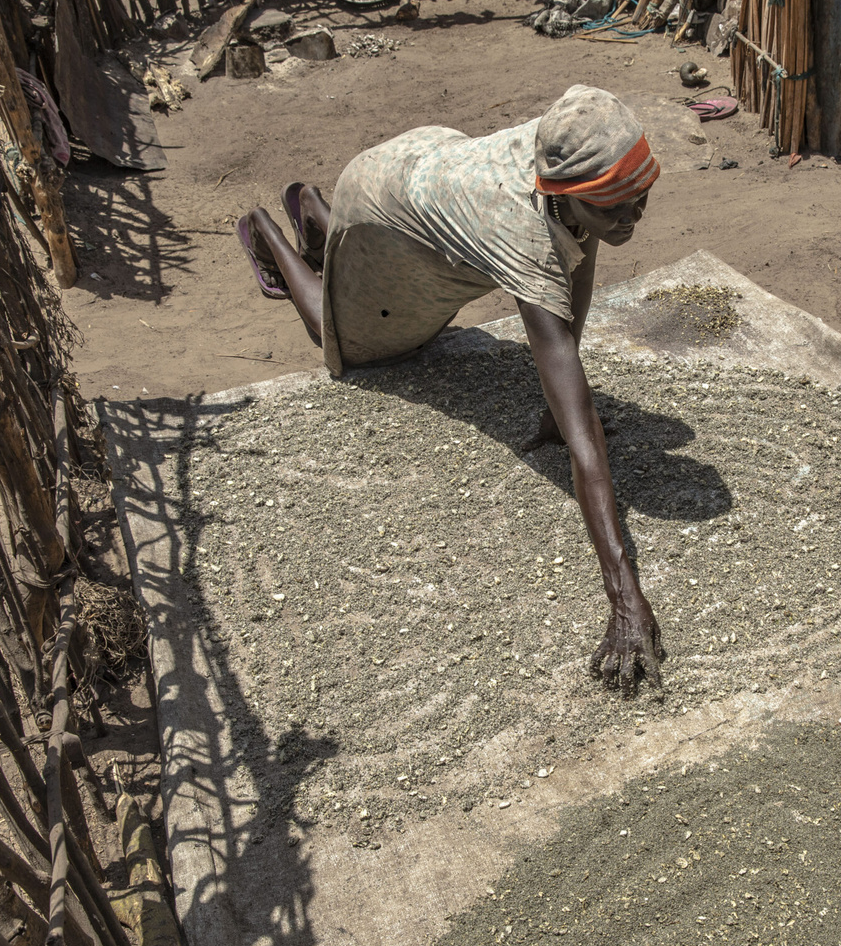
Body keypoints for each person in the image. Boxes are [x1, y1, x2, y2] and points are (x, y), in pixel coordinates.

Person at [236, 84, 665, 694]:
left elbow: (574, 278)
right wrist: (624, 596)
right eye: (614, 207)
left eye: (639, 196)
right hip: (379, 198)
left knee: (420, 292)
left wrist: (558, 411)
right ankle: (271, 236)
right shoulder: (520, 227)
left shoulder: (568, 153)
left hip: (426, 166)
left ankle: (312, 207)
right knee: (359, 347)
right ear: (565, 194)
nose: (632, 216)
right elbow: (579, 413)